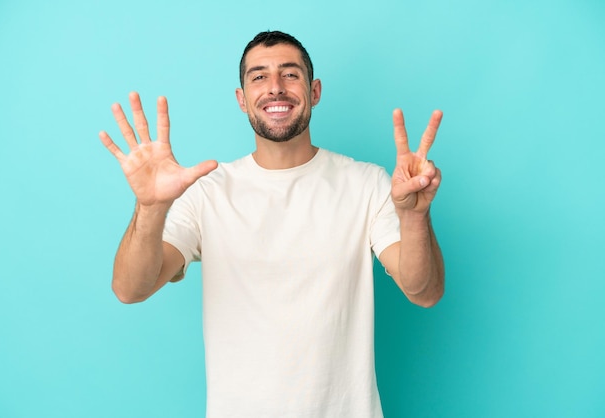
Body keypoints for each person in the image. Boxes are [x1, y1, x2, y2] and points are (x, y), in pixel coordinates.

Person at [99, 30, 444, 418]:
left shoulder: (365, 183)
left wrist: (415, 217)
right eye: (259, 76)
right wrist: (149, 207)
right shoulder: (207, 192)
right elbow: (130, 289)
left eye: (290, 74)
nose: (275, 88)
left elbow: (424, 291)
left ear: (314, 91)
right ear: (241, 98)